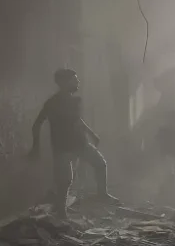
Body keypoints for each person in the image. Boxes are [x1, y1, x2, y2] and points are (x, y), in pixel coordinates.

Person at [29, 68, 118, 219]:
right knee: (65, 182)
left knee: (100, 164)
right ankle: (62, 213)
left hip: (80, 144)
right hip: (62, 148)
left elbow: (77, 120)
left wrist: (91, 134)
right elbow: (36, 124)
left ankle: (102, 194)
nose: (78, 82)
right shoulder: (53, 103)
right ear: (64, 82)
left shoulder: (73, 101)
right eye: (75, 80)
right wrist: (35, 147)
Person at [156, 110, 175, 200]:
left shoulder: (171, 128)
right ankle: (167, 191)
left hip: (171, 154)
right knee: (169, 173)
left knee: (172, 173)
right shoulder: (165, 129)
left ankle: (169, 191)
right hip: (169, 154)